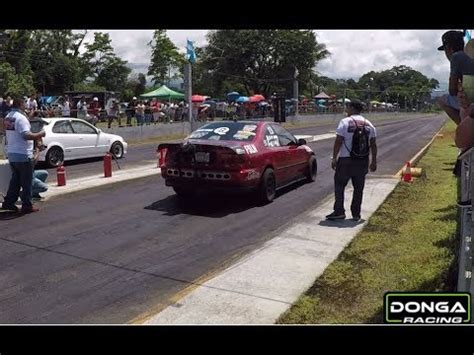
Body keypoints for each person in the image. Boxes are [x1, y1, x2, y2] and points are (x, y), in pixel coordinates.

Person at [326, 100, 377, 221]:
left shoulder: (345, 122)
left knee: (339, 185)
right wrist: (373, 161)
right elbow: (373, 145)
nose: (346, 109)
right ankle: (356, 214)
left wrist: (334, 158)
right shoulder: (369, 125)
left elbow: (338, 141)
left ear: (352, 108)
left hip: (346, 160)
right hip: (362, 161)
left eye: (347, 107)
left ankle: (339, 211)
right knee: (358, 189)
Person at [1, 97, 46, 213]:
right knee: (27, 182)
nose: (26, 106)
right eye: (24, 104)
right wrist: (40, 134)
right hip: (23, 154)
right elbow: (26, 135)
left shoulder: (8, 117)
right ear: (20, 104)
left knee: (15, 181)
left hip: (12, 153)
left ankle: (9, 203)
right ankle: (27, 205)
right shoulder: (21, 118)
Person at [437, 30, 474, 125]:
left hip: (470, 101)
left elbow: (452, 90)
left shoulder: (456, 57)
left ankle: (463, 126)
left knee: (442, 100)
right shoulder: (469, 55)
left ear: (448, 48)